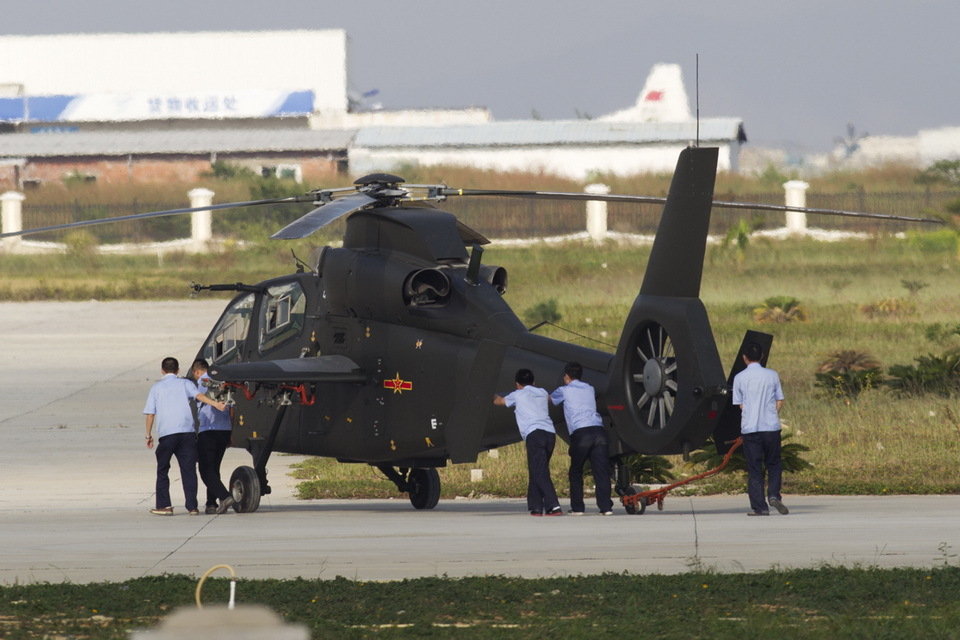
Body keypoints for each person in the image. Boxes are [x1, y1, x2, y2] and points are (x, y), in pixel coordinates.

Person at [144, 356, 226, 516]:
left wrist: (148, 435)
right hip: (187, 434)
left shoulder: (156, 388)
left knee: (163, 470)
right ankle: (192, 507)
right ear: (178, 370)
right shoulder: (185, 383)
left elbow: (150, 414)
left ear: (162, 370)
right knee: (189, 470)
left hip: (167, 435)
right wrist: (216, 404)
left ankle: (164, 506)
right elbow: (199, 396)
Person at [493, 369, 563, 516]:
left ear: (517, 384)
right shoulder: (542, 392)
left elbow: (498, 401)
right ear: (534, 382)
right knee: (537, 469)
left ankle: (553, 505)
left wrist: (487, 391)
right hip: (550, 434)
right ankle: (536, 507)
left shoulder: (517, 394)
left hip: (534, 434)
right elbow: (549, 397)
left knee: (539, 471)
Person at [732, 343, 789, 517]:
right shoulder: (772, 375)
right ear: (762, 356)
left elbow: (740, 404)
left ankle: (760, 507)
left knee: (755, 468)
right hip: (770, 427)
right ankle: (773, 495)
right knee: (774, 463)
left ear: (744, 357)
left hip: (751, 429)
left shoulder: (740, 378)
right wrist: (771, 414)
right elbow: (780, 400)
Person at [550, 362, 614, 516]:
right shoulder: (589, 388)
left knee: (576, 471)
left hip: (581, 433)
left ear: (567, 376)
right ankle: (606, 507)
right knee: (601, 472)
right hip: (599, 431)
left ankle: (578, 508)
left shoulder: (564, 390)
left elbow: (550, 400)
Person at [191, 359, 235, 515]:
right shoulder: (223, 381)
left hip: (209, 430)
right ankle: (211, 504)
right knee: (214, 468)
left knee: (205, 469)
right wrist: (231, 431)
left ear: (197, 371)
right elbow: (232, 409)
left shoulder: (204, 380)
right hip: (224, 430)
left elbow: (200, 397)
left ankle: (224, 496)